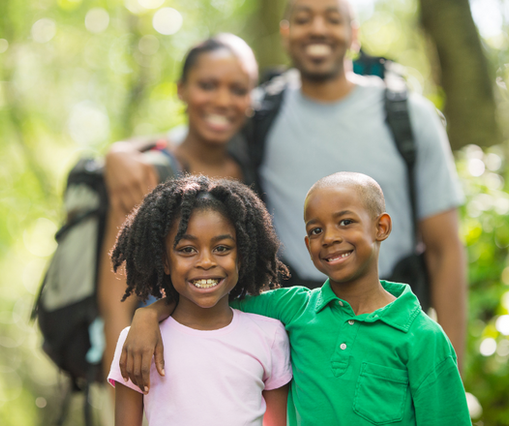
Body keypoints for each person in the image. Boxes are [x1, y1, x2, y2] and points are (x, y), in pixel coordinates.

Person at [107, 0, 467, 367]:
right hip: (298, 335)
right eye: (303, 18)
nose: (317, 29)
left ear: (354, 34)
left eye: (332, 18)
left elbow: (445, 250)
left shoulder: (409, 116)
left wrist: (452, 368)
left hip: (396, 333)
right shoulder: (261, 111)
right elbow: (194, 135)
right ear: (286, 33)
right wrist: (120, 153)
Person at [121, 172, 472, 426]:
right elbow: (206, 294)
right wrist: (147, 316)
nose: (330, 238)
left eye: (345, 222)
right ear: (306, 244)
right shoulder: (292, 309)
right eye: (316, 230)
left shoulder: (423, 337)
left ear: (380, 227)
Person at [97, 33, 260, 383]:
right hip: (163, 376)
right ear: (181, 90)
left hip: (236, 379)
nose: (222, 100)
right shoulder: (146, 175)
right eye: (207, 85)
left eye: (237, 89)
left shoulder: (253, 170)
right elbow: (116, 305)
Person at [107, 175, 292, 426]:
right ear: (164, 261)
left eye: (222, 248)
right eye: (187, 250)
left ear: (242, 257)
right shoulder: (138, 341)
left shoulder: (270, 336)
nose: (206, 261)